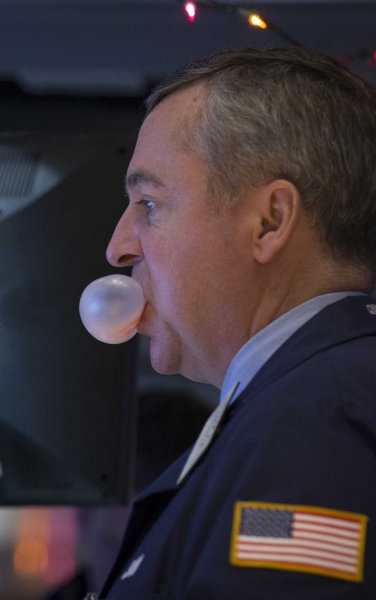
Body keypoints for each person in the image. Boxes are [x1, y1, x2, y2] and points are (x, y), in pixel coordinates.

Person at [94, 46, 376, 599]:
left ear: (268, 222)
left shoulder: (314, 423)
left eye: (149, 204)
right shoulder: (306, 401)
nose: (118, 247)